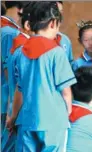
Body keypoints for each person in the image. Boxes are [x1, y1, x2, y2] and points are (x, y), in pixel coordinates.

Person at [6, 2, 77, 151]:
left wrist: (13, 117)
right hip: (53, 121)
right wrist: (68, 112)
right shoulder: (56, 52)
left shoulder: (19, 52)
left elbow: (19, 91)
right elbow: (65, 91)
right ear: (52, 23)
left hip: (26, 120)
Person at [1, 1, 24, 135]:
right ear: (20, 9)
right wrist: (12, 108)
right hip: (5, 101)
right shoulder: (10, 32)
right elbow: (8, 70)